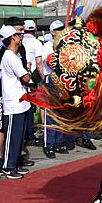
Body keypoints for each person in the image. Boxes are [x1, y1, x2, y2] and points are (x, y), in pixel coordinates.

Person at [0, 25, 32, 179]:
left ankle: (15, 163)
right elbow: (26, 77)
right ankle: (8, 166)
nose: (21, 36)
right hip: (13, 102)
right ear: (13, 37)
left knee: (19, 136)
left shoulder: (14, 55)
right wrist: (29, 72)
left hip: (21, 100)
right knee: (12, 136)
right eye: (19, 34)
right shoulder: (9, 55)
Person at [41, 20, 66, 159]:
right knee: (51, 116)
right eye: (58, 29)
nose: (61, 31)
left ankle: (59, 142)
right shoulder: (48, 46)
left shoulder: (65, 45)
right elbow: (52, 62)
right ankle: (49, 145)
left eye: (62, 29)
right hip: (51, 81)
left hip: (63, 82)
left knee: (62, 114)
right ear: (52, 32)